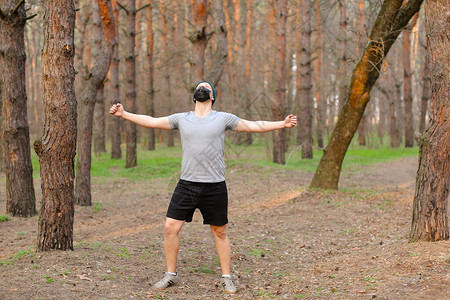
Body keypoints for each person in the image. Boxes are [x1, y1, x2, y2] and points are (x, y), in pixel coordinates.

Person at [109, 81, 297, 294]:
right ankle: (171, 275)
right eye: (199, 86)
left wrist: (282, 124)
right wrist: (124, 114)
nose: (202, 87)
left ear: (212, 96)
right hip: (186, 185)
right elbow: (151, 121)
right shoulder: (182, 118)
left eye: (207, 87)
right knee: (170, 227)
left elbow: (253, 125)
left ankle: (227, 278)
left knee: (220, 231)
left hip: (215, 186)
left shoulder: (223, 118)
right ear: (195, 96)